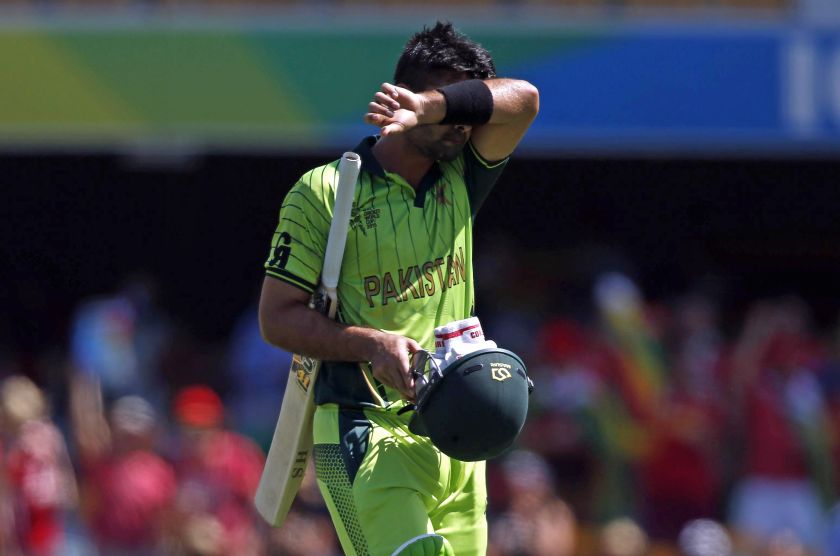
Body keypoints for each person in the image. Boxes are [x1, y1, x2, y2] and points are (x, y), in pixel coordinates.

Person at [258, 21, 539, 556]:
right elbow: (277, 318)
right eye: (443, 106)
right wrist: (371, 343)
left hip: (459, 438)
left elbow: (524, 100)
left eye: (462, 110)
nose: (460, 126)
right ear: (400, 91)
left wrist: (436, 107)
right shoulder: (324, 191)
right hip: (364, 431)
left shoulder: (462, 174)